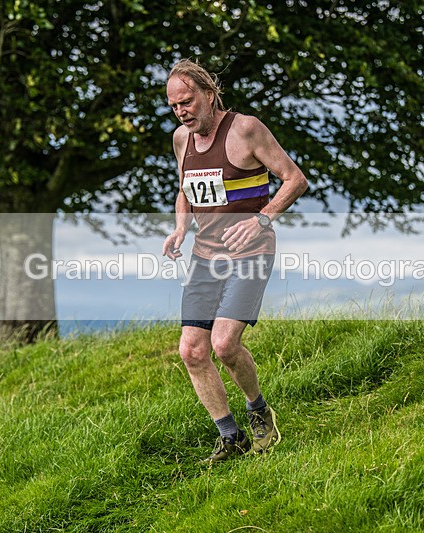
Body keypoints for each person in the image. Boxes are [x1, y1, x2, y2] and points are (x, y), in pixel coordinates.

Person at [162, 59, 308, 463]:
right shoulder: (181, 139)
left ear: (209, 94)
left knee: (225, 344)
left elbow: (295, 179)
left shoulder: (245, 129)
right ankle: (230, 436)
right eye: (174, 106)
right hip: (205, 257)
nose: (181, 112)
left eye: (187, 102)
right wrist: (180, 228)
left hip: (250, 253)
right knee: (192, 351)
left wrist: (262, 219)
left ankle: (259, 412)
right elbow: (185, 190)